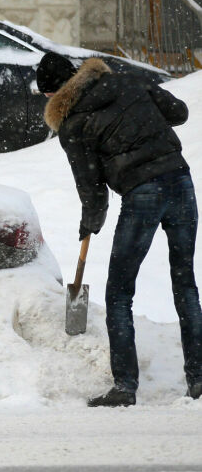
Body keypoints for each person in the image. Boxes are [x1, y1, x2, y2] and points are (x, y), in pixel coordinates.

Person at [37, 52, 202, 407]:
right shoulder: (124, 80)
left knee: (119, 294)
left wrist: (89, 222)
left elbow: (92, 188)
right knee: (185, 283)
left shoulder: (73, 125)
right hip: (180, 181)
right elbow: (178, 113)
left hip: (142, 193)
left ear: (53, 94)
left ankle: (125, 387)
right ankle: (199, 379)